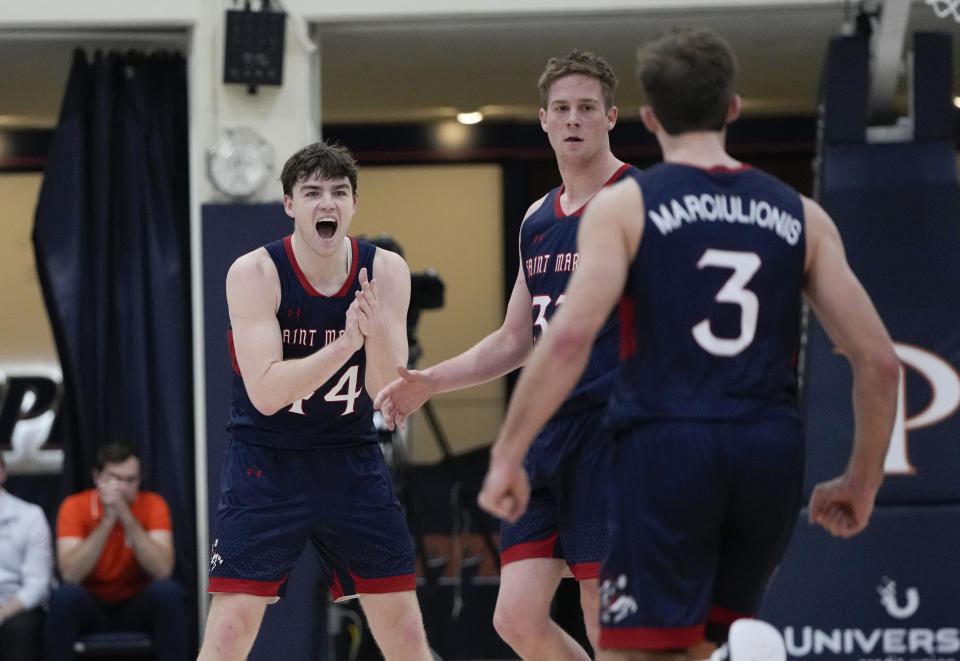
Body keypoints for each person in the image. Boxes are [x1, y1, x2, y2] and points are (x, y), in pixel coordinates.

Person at [478, 27, 901, 661]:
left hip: (667, 444)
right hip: (767, 452)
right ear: (733, 108)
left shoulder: (627, 206)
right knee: (697, 640)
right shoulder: (800, 213)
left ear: (646, 118)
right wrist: (861, 481)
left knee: (633, 646)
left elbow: (564, 340)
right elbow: (880, 362)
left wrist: (507, 450)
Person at [375, 50, 641, 660]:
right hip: (545, 434)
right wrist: (428, 381)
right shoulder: (536, 218)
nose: (574, 119)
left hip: (612, 432)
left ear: (610, 118)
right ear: (544, 120)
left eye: (587, 108)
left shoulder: (637, 201)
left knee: (606, 619)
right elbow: (514, 339)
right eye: (562, 109)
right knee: (516, 618)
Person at [197, 141, 433, 661]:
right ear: (289, 204)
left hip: (350, 456)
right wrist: (345, 343)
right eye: (312, 193)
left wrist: (374, 339)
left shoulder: (386, 271)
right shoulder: (254, 273)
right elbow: (266, 392)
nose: (327, 203)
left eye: (339, 192)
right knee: (229, 630)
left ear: (353, 204)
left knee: (406, 634)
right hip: (267, 461)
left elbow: (384, 394)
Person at [44, 442, 187, 661]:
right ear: (97, 477)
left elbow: (163, 570)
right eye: (115, 479)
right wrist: (109, 519)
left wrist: (125, 516)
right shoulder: (74, 506)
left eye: (130, 480)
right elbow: (71, 574)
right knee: (64, 597)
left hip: (136, 602)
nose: (123, 487)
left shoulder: (153, 504)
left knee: (168, 593)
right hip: (91, 603)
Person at [0, 452, 53, 661]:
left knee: (19, 629)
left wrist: (3, 613)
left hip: (16, 606)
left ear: (2, 472)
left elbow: (38, 585)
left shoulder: (30, 516)